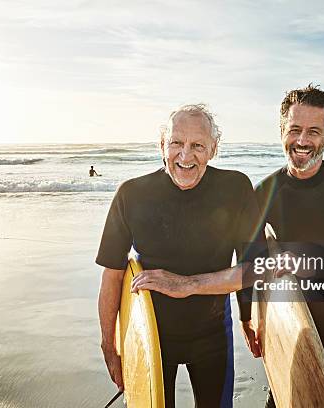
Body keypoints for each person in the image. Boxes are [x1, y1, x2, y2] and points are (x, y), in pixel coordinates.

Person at [133, 86, 324, 408]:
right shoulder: (265, 191)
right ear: (282, 132)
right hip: (284, 335)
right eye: (294, 130)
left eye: (313, 131)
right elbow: (250, 260)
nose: (302, 141)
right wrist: (248, 318)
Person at [97, 104, 262, 408]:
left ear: (213, 149)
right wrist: (110, 346)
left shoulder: (235, 188)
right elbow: (113, 274)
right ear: (162, 146)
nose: (185, 156)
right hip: (150, 336)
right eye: (176, 143)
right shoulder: (131, 195)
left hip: (213, 334)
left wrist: (191, 286)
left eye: (198, 145)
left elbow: (254, 269)